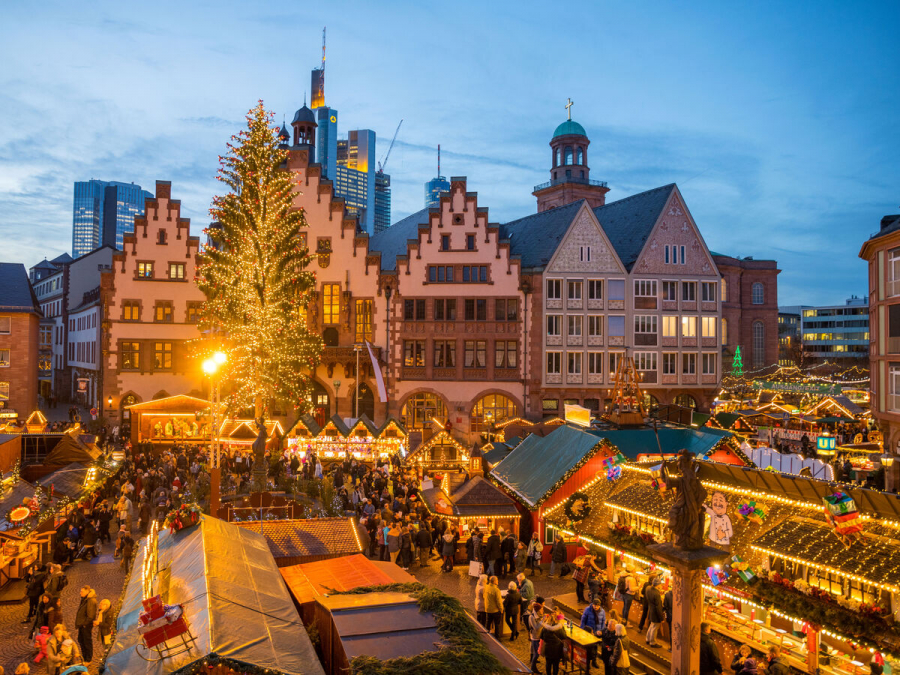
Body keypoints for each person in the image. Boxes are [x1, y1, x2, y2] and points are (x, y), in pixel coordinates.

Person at [579, 597, 607, 673]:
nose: (595, 607)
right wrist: (582, 629)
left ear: (599, 606)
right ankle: (587, 662)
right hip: (588, 632)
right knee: (588, 647)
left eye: (597, 606)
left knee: (595, 647)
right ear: (592, 604)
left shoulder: (602, 611)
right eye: (594, 605)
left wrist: (601, 631)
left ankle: (594, 661)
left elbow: (603, 621)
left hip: (597, 632)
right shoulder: (587, 610)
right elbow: (583, 620)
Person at [74, 586, 98, 664]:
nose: (80, 593)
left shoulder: (90, 600)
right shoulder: (85, 599)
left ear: (87, 592)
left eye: (82, 591)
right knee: (81, 639)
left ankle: (88, 659)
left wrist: (84, 624)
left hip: (85, 625)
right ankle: (85, 657)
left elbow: (90, 616)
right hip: (82, 624)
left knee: (86, 641)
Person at [526, 597, 545, 674]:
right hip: (535, 637)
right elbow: (536, 627)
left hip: (538, 637)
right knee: (536, 654)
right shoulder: (532, 617)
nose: (542, 610)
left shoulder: (538, 616)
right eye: (540, 609)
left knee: (537, 653)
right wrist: (543, 620)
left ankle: (533, 667)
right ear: (537, 610)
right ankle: (533, 667)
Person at [645, 576, 665, 648]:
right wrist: (661, 617)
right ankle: (652, 642)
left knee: (652, 625)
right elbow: (658, 606)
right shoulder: (656, 594)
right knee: (655, 627)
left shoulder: (648, 589)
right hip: (655, 612)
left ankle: (648, 638)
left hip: (651, 610)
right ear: (658, 584)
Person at [484, 575, 504, 640]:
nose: (498, 581)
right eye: (497, 580)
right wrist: (501, 609)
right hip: (495, 610)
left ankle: (486, 637)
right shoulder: (496, 590)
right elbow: (499, 601)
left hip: (488, 609)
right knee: (497, 625)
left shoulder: (486, 587)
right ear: (494, 581)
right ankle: (497, 638)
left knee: (488, 624)